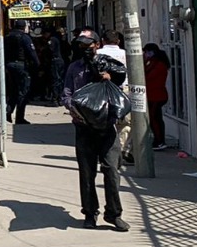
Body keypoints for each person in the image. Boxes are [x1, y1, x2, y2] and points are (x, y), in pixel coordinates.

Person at [63, 29, 130, 231]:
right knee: (87, 173)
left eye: (89, 45)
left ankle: (114, 214)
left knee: (111, 170)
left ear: (97, 44)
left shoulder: (107, 64)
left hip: (107, 128)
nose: (85, 49)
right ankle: (90, 213)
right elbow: (66, 93)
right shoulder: (74, 68)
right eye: (81, 46)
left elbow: (120, 85)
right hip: (84, 128)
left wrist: (109, 77)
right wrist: (72, 108)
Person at [4, 20, 40, 124]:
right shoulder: (24, 37)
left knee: (13, 91)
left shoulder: (7, 37)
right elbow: (31, 52)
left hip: (9, 65)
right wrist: (37, 65)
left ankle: (8, 113)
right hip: (21, 66)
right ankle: (19, 117)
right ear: (24, 27)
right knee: (23, 92)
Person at [144, 43, 171, 149]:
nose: (145, 54)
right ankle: (158, 140)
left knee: (154, 118)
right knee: (155, 118)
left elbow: (147, 77)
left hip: (156, 96)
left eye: (147, 52)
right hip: (153, 95)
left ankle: (159, 141)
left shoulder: (158, 64)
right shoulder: (152, 63)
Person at [48, 26, 70, 103]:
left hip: (56, 61)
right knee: (61, 79)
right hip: (63, 60)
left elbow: (50, 50)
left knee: (55, 80)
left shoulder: (53, 39)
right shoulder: (62, 40)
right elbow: (68, 50)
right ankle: (61, 98)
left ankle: (55, 98)